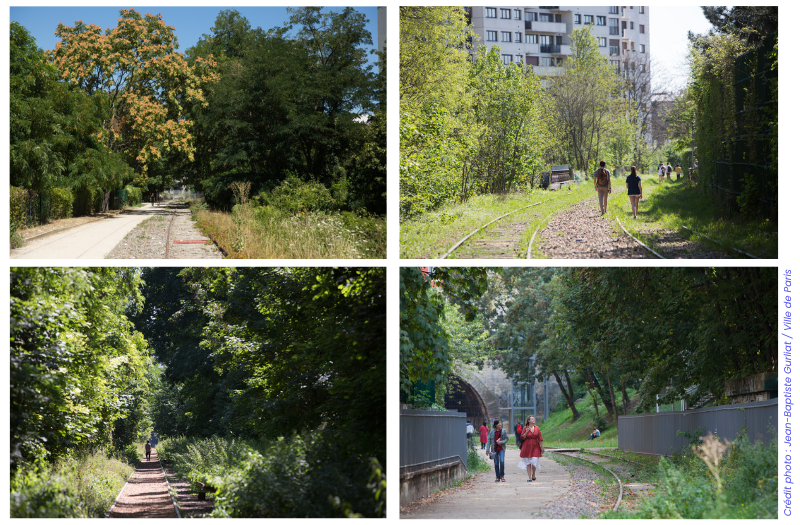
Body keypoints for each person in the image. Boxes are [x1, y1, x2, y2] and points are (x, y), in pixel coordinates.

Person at [519, 415, 543, 481]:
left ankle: (533, 474)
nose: (533, 420)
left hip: (535, 446)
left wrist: (542, 447)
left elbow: (540, 438)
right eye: (532, 419)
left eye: (534, 419)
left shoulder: (537, 428)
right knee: (528, 463)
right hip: (527, 446)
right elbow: (522, 437)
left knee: (535, 461)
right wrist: (526, 432)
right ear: (528, 421)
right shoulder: (525, 428)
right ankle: (529, 478)